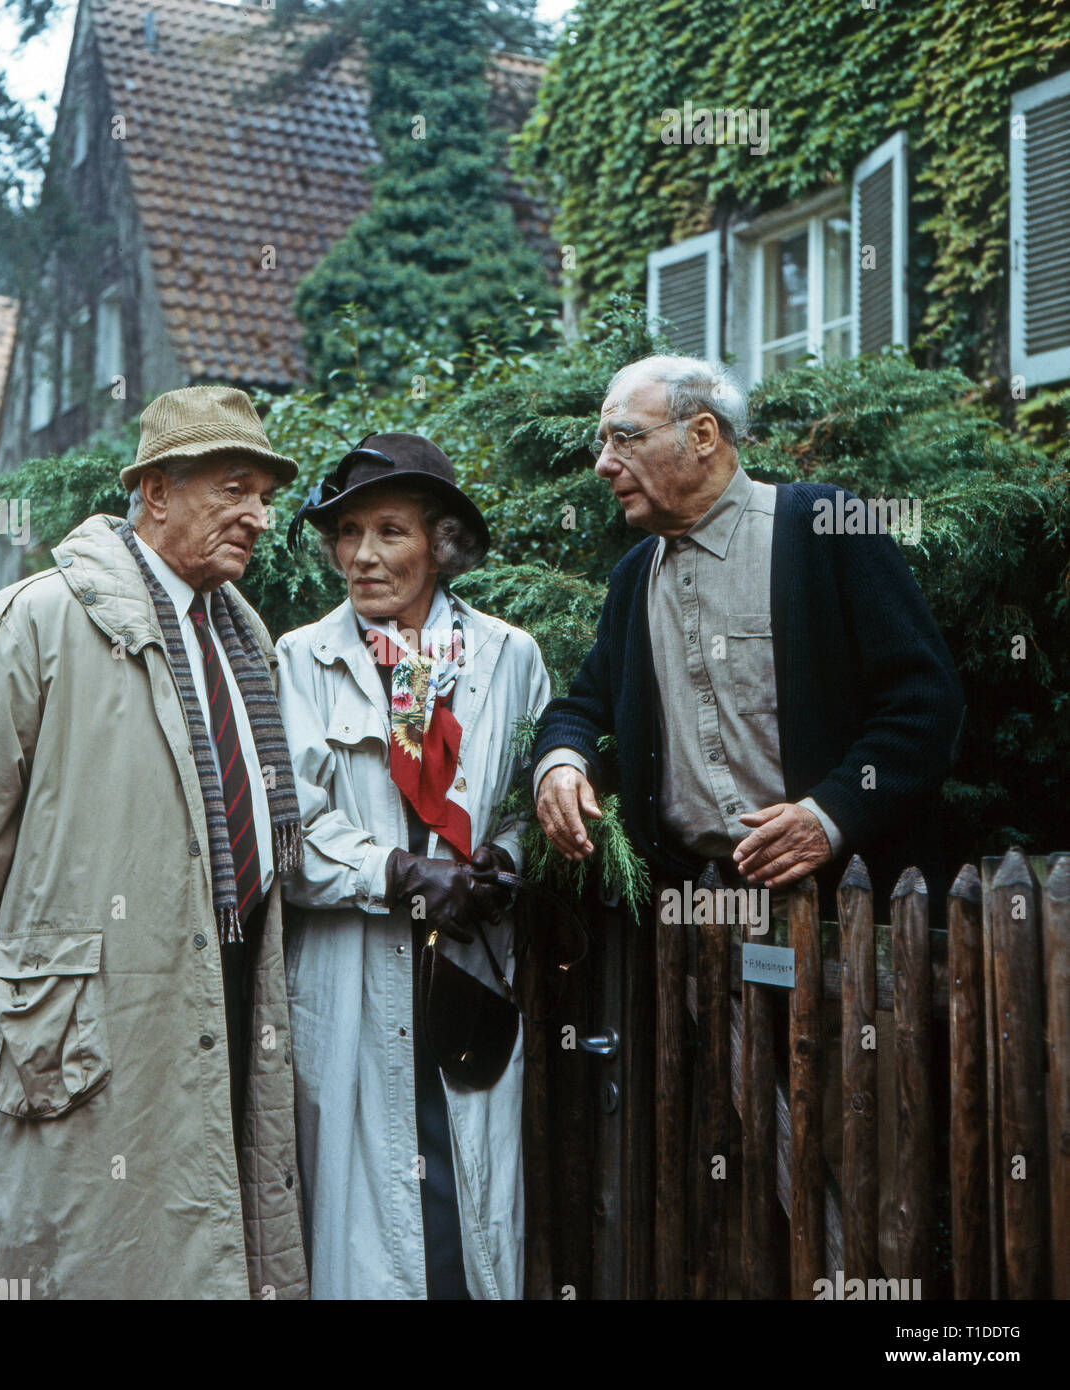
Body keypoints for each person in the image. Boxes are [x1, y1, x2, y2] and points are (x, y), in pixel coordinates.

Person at [0, 385, 309, 1298]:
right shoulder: (43, 616)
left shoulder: (241, 632)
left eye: (263, 495)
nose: (259, 515)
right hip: (93, 1018)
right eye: (236, 489)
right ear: (157, 492)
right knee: (91, 1255)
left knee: (207, 1239)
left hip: (233, 988)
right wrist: (26, 969)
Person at [533, 354, 965, 916]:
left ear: (703, 434)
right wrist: (561, 762)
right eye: (603, 444)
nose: (604, 465)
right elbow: (585, 708)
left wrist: (831, 815)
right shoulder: (633, 576)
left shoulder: (824, 525)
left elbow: (927, 706)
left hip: (847, 906)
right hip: (695, 913)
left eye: (624, 438)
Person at [276, 433, 551, 1299]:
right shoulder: (300, 661)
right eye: (346, 532)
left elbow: (529, 801)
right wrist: (397, 873)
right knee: (364, 1224)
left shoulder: (509, 655)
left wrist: (501, 862)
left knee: (466, 1199)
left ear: (442, 544)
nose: (362, 556)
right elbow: (289, 835)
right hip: (354, 979)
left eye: (390, 531)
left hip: (470, 968)